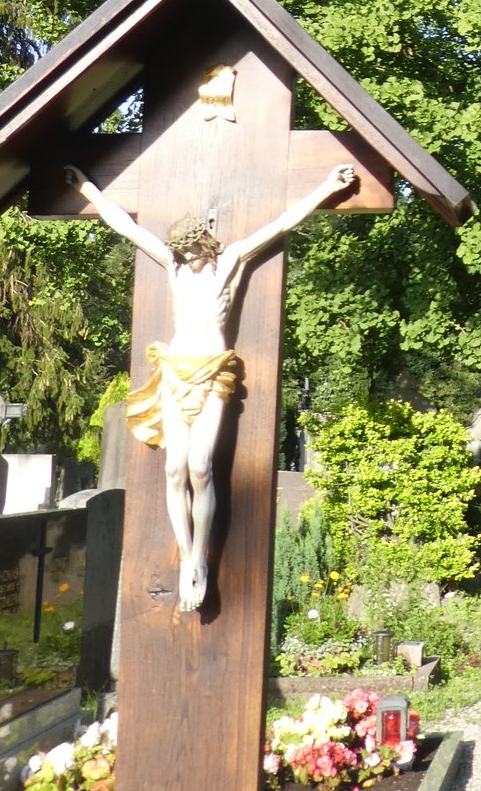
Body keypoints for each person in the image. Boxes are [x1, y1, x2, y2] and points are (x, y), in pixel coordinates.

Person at [64, 160, 356, 612]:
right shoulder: (173, 267)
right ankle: (186, 557)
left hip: (214, 372)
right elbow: (126, 227)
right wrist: (88, 187)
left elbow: (282, 223)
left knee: (200, 467)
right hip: (175, 370)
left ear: (204, 242)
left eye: (191, 249)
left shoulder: (231, 260)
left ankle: (201, 555)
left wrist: (326, 188)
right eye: (180, 251)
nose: (186, 256)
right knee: (173, 469)